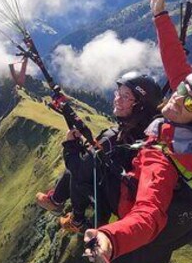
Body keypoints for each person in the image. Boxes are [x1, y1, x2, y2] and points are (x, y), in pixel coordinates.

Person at [83, 0, 192, 263]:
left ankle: (83, 218)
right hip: (153, 189)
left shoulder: (165, 158)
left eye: (189, 106)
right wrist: (160, 15)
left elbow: (149, 214)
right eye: (181, 93)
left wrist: (110, 238)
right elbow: (177, 65)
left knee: (93, 164)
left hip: (133, 208)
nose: (177, 101)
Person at [35, 71, 163, 232]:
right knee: (90, 156)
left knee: (81, 165)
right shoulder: (149, 132)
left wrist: (71, 146)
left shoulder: (113, 139)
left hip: (113, 196)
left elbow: (79, 169)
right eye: (118, 93)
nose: (117, 99)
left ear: (140, 106)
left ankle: (77, 219)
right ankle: (55, 200)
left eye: (125, 96)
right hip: (124, 190)